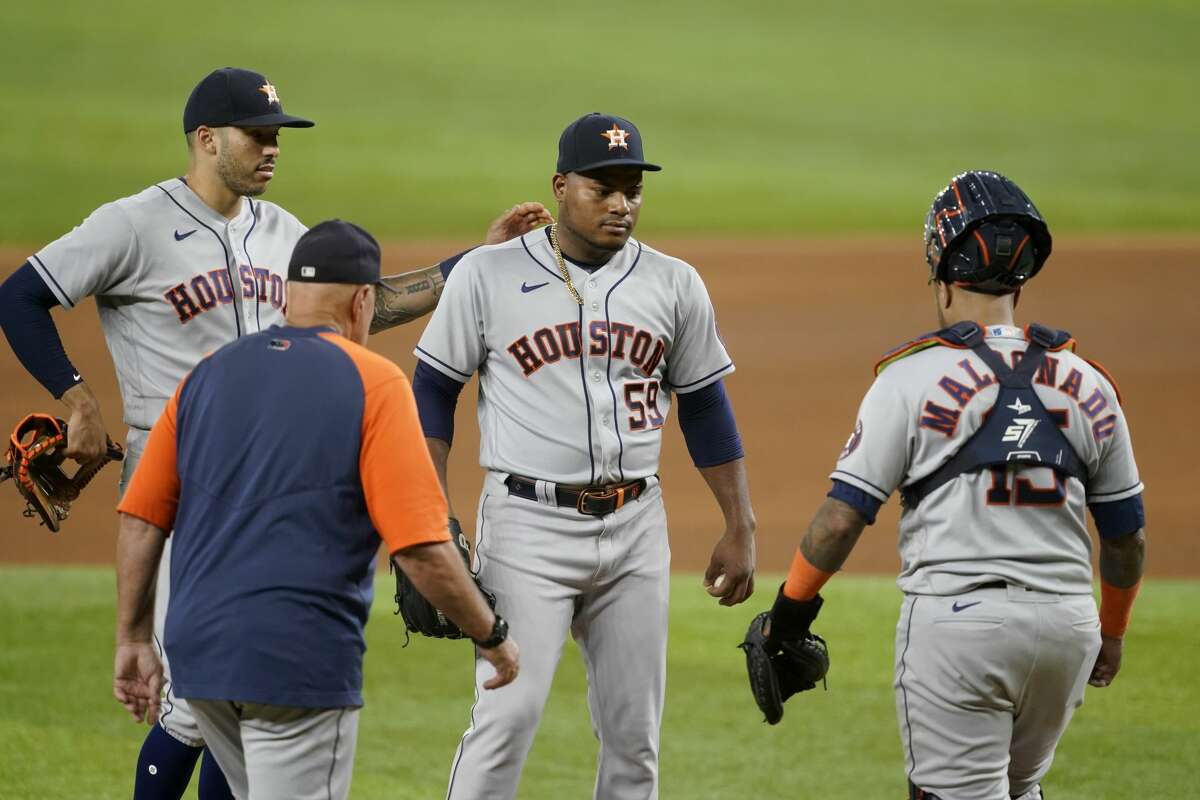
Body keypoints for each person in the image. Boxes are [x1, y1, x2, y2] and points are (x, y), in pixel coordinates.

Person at [0, 66, 547, 800]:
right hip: (176, 483)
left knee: (219, 698)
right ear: (205, 139)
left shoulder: (281, 230)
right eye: (257, 135)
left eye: (276, 136)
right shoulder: (131, 224)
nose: (272, 148)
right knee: (189, 701)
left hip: (262, 481)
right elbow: (20, 296)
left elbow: (358, 308)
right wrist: (79, 400)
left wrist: (469, 264)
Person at [751, 171, 1146, 800]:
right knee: (1021, 789)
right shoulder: (1090, 384)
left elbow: (840, 521)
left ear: (943, 273)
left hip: (960, 627)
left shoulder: (909, 380)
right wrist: (1113, 632)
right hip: (1069, 627)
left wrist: (791, 615)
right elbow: (1126, 540)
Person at [411, 112, 758, 799]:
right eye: (603, 188)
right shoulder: (487, 275)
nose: (621, 203)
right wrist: (432, 514)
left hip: (636, 527)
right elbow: (432, 390)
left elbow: (706, 404)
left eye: (633, 188)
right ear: (560, 186)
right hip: (527, 528)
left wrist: (739, 522)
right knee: (506, 718)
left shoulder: (674, 282)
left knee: (635, 740)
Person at [112, 219, 520, 800]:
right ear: (363, 301)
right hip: (296, 659)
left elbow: (141, 518)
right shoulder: (375, 382)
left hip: (198, 655)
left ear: (286, 296)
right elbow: (421, 548)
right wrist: (491, 633)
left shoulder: (206, 376)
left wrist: (131, 637)